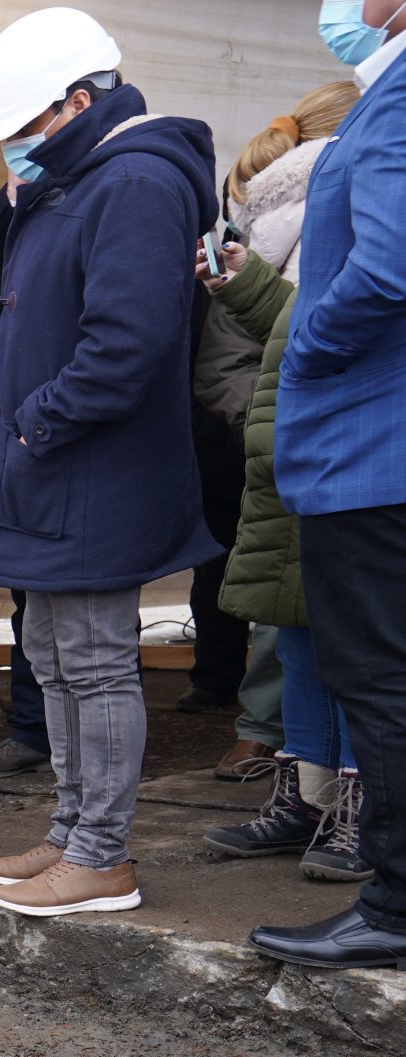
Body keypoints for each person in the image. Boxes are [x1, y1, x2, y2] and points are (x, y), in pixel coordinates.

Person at [0, 9, 219, 918]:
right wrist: (21, 187)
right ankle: (72, 831)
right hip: (53, 465)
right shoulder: (69, 181)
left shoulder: (138, 181)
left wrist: (31, 426)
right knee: (52, 652)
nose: (18, 150)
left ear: (75, 105)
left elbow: (127, 345)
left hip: (94, 467)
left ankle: (104, 853)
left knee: (98, 660)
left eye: (26, 131)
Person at [251, 0, 406, 970]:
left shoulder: (391, 105)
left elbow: (386, 266)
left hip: (372, 450)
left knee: (378, 677)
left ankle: (392, 903)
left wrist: (305, 340)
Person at [203, 84, 364, 880]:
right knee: (296, 637)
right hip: (294, 447)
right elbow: (302, 323)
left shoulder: (365, 201)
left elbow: (345, 320)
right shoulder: (312, 219)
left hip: (341, 448)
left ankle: (362, 809)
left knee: (357, 649)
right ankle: (306, 796)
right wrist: (248, 287)